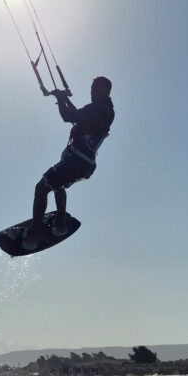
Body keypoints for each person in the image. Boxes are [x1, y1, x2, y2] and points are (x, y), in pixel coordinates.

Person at [22, 76, 115, 250]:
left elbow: (68, 117)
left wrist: (60, 99)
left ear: (106, 91)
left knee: (41, 187)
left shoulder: (98, 109)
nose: (92, 91)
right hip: (84, 165)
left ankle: (34, 235)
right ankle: (60, 224)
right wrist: (64, 99)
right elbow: (80, 117)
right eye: (91, 88)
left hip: (75, 161)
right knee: (58, 186)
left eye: (96, 88)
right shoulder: (105, 110)